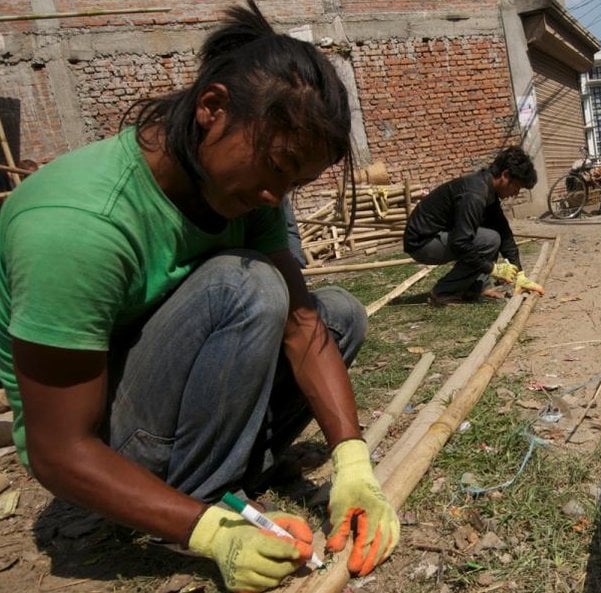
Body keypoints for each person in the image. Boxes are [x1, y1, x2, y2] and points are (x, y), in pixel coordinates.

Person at [0, 2, 398, 591]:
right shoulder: (79, 224)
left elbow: (300, 327)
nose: (277, 196)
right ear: (212, 110)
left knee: (335, 315)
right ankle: (200, 505)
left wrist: (353, 462)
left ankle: (226, 475)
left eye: (295, 184)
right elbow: (57, 451)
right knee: (246, 283)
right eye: (279, 167)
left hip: (169, 415)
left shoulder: (247, 188)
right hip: (102, 451)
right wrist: (211, 532)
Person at [403, 146, 545, 306]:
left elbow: (504, 232)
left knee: (492, 235)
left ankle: (476, 288)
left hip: (440, 234)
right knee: (489, 240)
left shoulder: (487, 189)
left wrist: (520, 274)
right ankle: (443, 292)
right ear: (505, 176)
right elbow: (460, 242)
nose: (515, 194)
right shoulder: (475, 195)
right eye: (516, 187)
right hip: (422, 243)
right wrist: (491, 268)